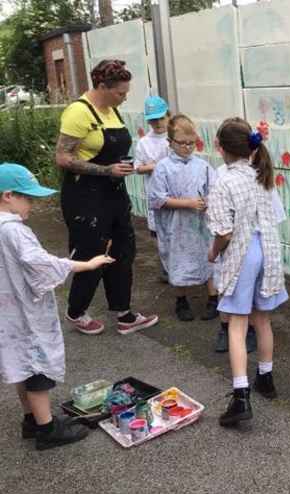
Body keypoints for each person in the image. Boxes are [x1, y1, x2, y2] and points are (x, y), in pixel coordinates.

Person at [0, 163, 115, 450]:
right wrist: (86, 264)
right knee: (37, 365)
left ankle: (32, 419)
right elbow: (40, 263)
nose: (32, 205)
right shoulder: (13, 231)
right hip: (24, 312)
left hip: (7, 312)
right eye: (28, 198)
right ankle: (47, 429)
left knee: (20, 363)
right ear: (8, 195)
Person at [55, 59, 158, 336]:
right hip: (84, 195)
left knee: (123, 250)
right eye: (120, 93)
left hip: (114, 192)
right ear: (101, 86)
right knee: (92, 252)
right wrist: (105, 170)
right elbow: (63, 158)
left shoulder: (112, 111)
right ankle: (76, 312)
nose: (124, 98)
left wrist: (123, 168)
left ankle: (124, 313)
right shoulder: (78, 112)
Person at [208, 118, 288, 427]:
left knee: (237, 327)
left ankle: (240, 396)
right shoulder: (261, 177)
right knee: (263, 319)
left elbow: (223, 232)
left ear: (221, 148)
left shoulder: (224, 181)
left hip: (242, 255)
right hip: (268, 253)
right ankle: (265, 378)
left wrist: (213, 252)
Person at [149, 114, 218, 321]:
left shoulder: (203, 166)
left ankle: (213, 297)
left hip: (199, 224)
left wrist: (207, 201)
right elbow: (156, 199)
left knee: (208, 256)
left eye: (192, 143)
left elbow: (214, 190)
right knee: (177, 259)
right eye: (182, 143)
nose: (187, 148)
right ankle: (181, 299)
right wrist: (186, 203)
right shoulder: (163, 167)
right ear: (170, 142)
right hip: (175, 225)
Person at [134, 95, 170, 278]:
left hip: (175, 193)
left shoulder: (174, 137)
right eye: (153, 120)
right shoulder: (144, 142)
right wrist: (156, 166)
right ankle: (165, 266)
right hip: (155, 194)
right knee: (158, 231)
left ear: (168, 116)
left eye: (161, 118)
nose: (157, 123)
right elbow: (137, 167)